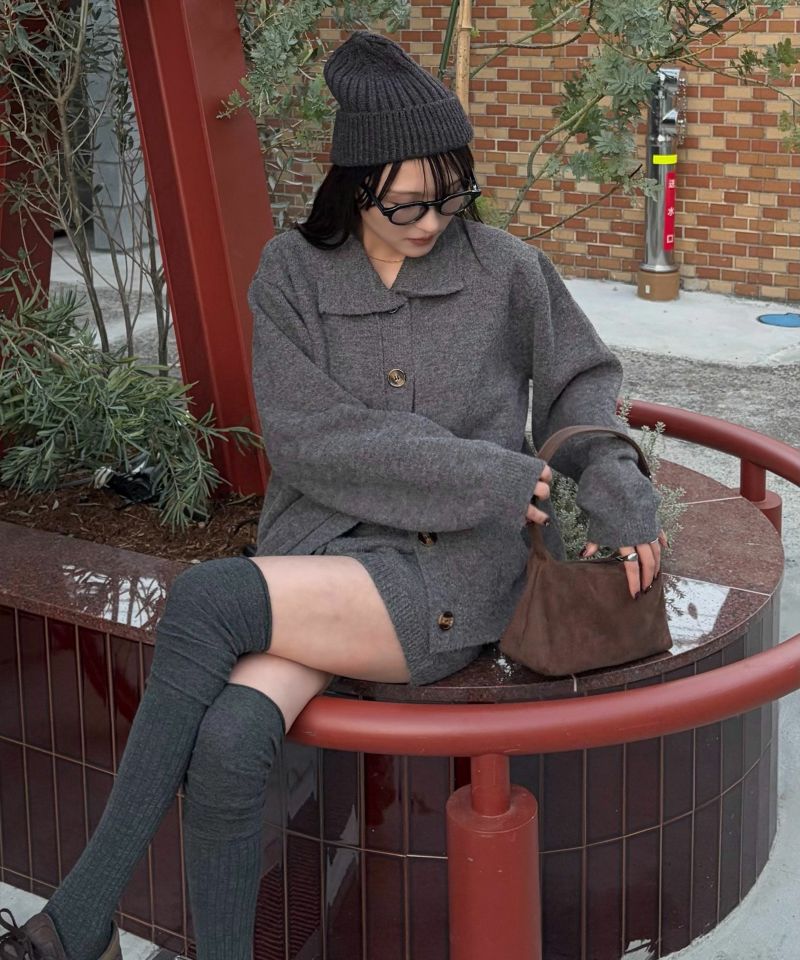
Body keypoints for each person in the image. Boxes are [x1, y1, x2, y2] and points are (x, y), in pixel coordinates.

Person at [0, 30, 666, 960]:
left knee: (206, 600)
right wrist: (488, 472)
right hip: (324, 552)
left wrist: (620, 486)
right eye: (406, 203)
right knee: (230, 741)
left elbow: (582, 386)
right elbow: (312, 440)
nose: (432, 222)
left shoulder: (507, 270)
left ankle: (77, 923)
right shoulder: (292, 273)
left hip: (451, 569)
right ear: (355, 185)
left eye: (451, 196)